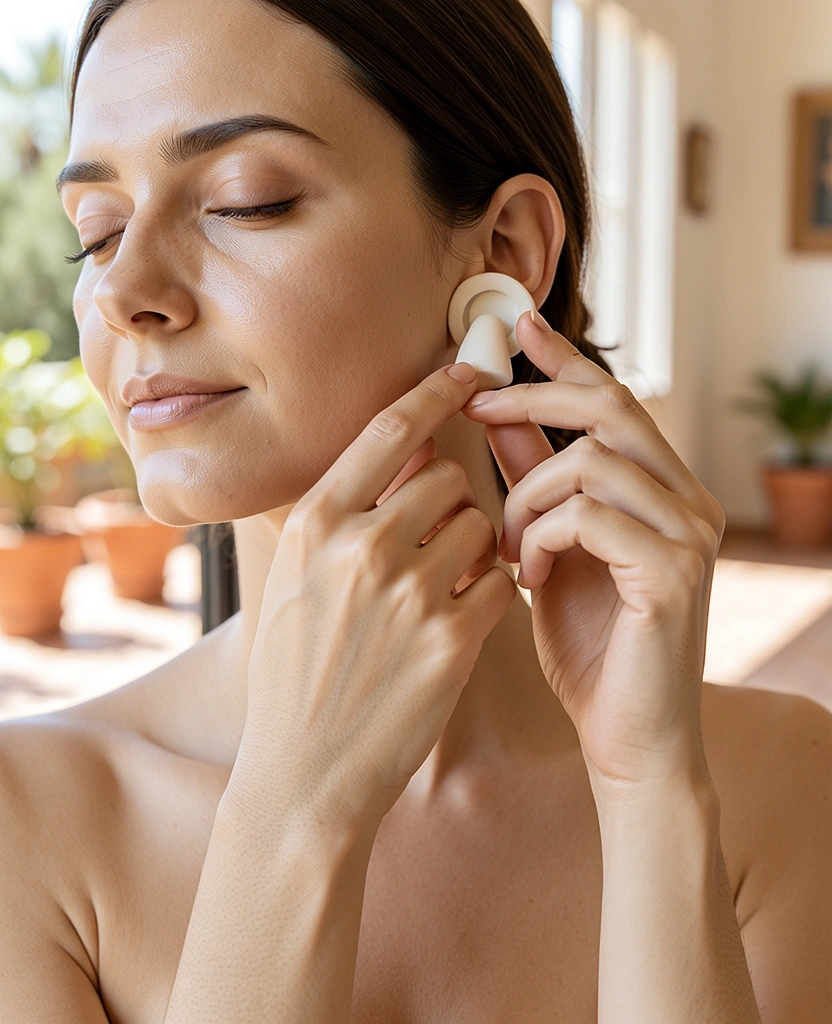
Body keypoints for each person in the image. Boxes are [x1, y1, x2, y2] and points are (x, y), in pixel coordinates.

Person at [1, 0, 830, 1020]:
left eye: (244, 201)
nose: (123, 289)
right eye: (97, 232)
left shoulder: (781, 784)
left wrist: (650, 794)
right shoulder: (26, 827)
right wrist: (294, 809)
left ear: (505, 253)